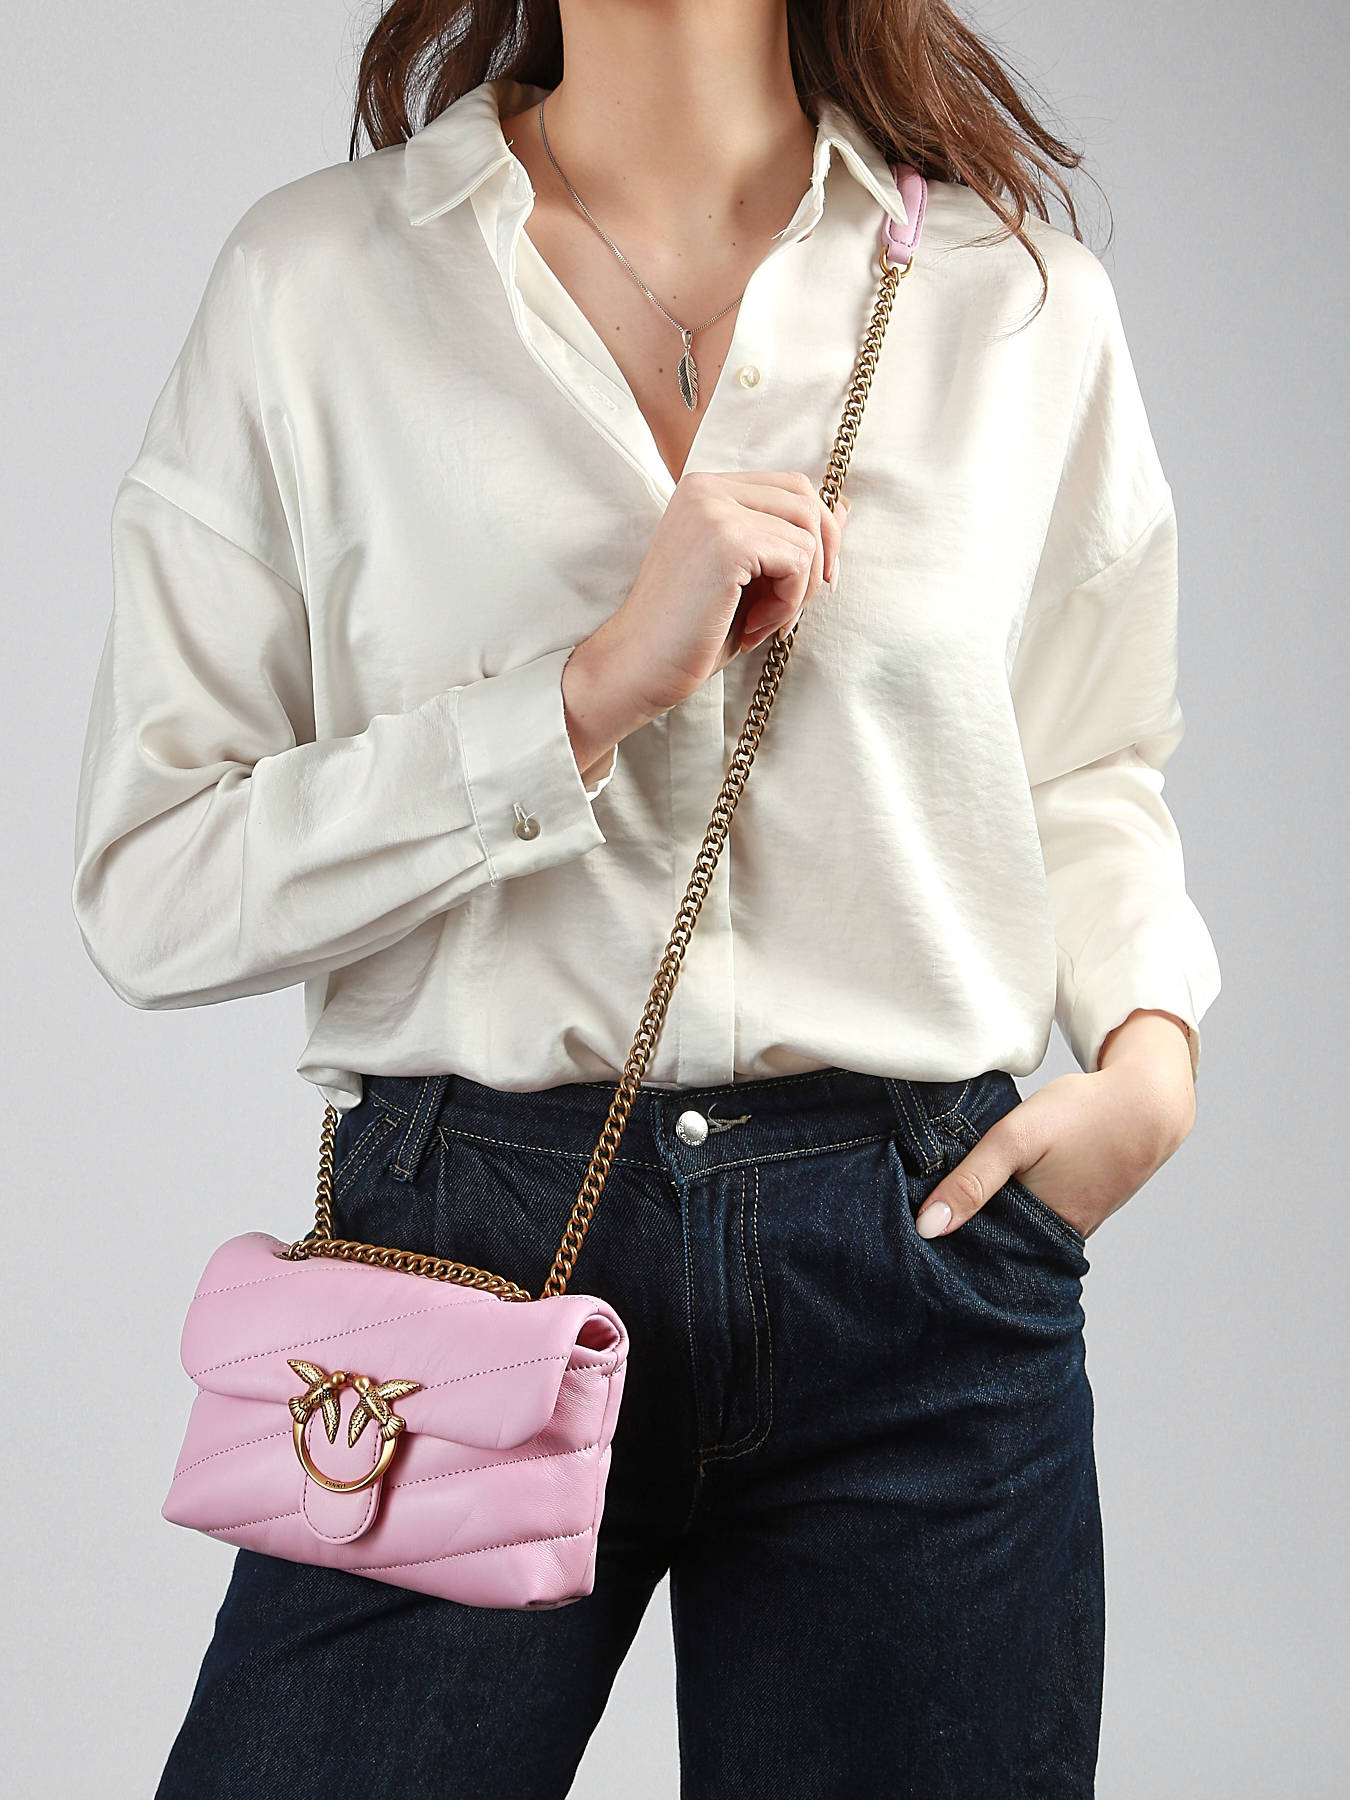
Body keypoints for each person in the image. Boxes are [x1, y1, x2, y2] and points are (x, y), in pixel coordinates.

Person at [71, 2, 1221, 1794]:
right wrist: (582, 698)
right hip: (463, 1249)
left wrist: (1150, 1057)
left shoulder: (1013, 299)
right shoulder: (318, 281)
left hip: (914, 1264)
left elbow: (1083, 762)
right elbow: (154, 877)